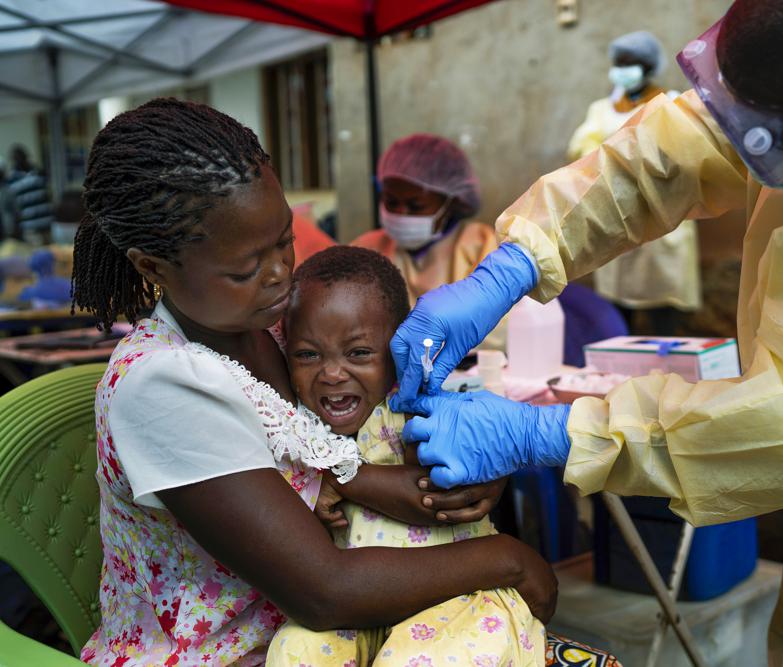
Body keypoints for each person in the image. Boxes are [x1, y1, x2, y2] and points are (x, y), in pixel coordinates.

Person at [390, 0, 783, 664]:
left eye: (775, 140)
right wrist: (514, 263)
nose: (746, 145)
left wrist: (546, 432)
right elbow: (671, 149)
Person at [70, 98, 555, 666]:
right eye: (246, 268)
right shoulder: (161, 386)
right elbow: (325, 591)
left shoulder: (283, 328)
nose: (280, 275)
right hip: (236, 653)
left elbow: (373, 434)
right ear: (153, 267)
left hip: (353, 629)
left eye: (283, 242)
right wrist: (511, 560)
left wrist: (459, 476)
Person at [266, 246, 544, 666]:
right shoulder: (293, 424)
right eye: (308, 354)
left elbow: (434, 496)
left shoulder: (414, 412)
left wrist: (332, 477)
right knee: (293, 651)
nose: (333, 372)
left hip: (458, 598)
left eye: (358, 352)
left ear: (399, 350)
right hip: (359, 609)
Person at [568, 31, 701, 335]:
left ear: (648, 66)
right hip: (616, 215)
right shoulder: (602, 109)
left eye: (631, 62)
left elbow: (683, 152)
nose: (623, 69)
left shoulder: (672, 102)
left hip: (664, 217)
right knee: (617, 308)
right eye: (619, 62)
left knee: (664, 305)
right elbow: (581, 151)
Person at [353, 134, 506, 350]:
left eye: (416, 206)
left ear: (450, 202)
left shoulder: (482, 245)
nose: (400, 214)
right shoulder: (365, 249)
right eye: (391, 202)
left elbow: (499, 330)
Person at [6, 145, 53, 242]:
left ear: (26, 157)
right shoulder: (11, 180)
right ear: (13, 160)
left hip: (47, 222)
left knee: (51, 254)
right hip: (30, 226)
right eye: (16, 158)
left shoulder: (39, 172)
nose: (20, 160)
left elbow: (49, 194)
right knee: (36, 254)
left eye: (21, 157)